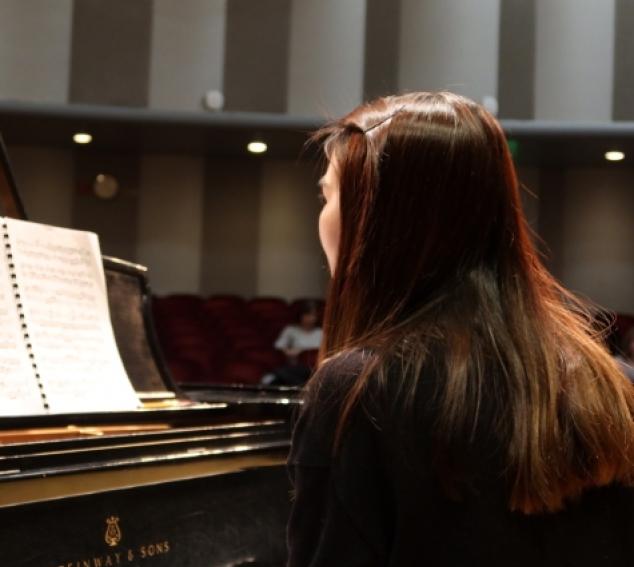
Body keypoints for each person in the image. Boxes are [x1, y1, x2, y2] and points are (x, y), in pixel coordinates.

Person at [287, 92, 634, 566]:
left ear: (378, 220)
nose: (323, 216)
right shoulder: (613, 384)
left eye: (328, 195)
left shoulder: (358, 391)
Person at [262, 301, 322, 386]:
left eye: (314, 315)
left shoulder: (321, 332)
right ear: (300, 315)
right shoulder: (290, 330)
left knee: (279, 376)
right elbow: (278, 347)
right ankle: (303, 386)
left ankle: (301, 386)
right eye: (307, 315)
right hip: (295, 366)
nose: (311, 318)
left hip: (316, 368)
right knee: (282, 373)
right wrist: (291, 352)